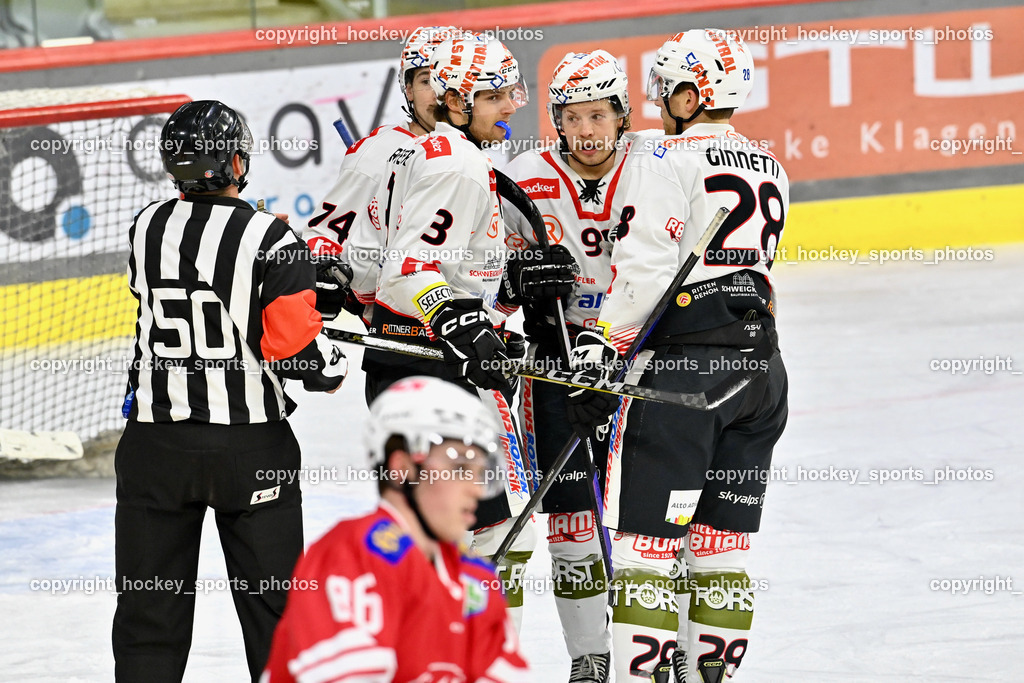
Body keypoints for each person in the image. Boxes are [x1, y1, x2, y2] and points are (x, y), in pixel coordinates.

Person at [113, 100, 348, 683]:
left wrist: (300, 289)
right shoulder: (271, 234)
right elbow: (300, 357)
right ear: (237, 160)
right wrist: (331, 351)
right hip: (250, 451)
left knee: (149, 613)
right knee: (275, 612)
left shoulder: (146, 225)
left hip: (152, 448)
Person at [585, 30, 790, 682]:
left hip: (684, 380)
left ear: (688, 92)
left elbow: (645, 267)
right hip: (762, 372)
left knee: (646, 553)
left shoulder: (662, 157)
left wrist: (603, 343)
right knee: (722, 553)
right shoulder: (770, 163)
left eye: (665, 88)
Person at [362, 32, 577, 632]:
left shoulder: (450, 154)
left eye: (513, 92)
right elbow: (406, 273)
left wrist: (510, 286)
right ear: (458, 101)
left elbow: (448, 269)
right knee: (471, 535)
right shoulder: (454, 161)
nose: (512, 106)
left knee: (487, 534)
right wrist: (460, 319)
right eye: (496, 96)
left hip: (428, 364)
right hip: (422, 369)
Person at [491, 49, 634, 683]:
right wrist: (517, 279)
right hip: (557, 360)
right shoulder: (524, 174)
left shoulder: (656, 168)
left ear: (622, 113)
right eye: (571, 116)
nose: (586, 129)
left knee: (652, 516)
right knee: (571, 512)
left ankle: (658, 645)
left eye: (598, 114)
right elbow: (487, 274)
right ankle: (592, 656)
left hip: (639, 355)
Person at [262, 376, 528, 682]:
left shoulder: (477, 580)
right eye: (459, 468)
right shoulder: (344, 564)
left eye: (481, 470)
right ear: (403, 468)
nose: (475, 489)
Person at [303, 26, 464, 325]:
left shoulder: (472, 152)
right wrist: (331, 274)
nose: (439, 93)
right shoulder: (377, 153)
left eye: (448, 79)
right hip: (403, 334)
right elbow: (321, 238)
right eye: (427, 80)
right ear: (408, 89)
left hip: (474, 334)